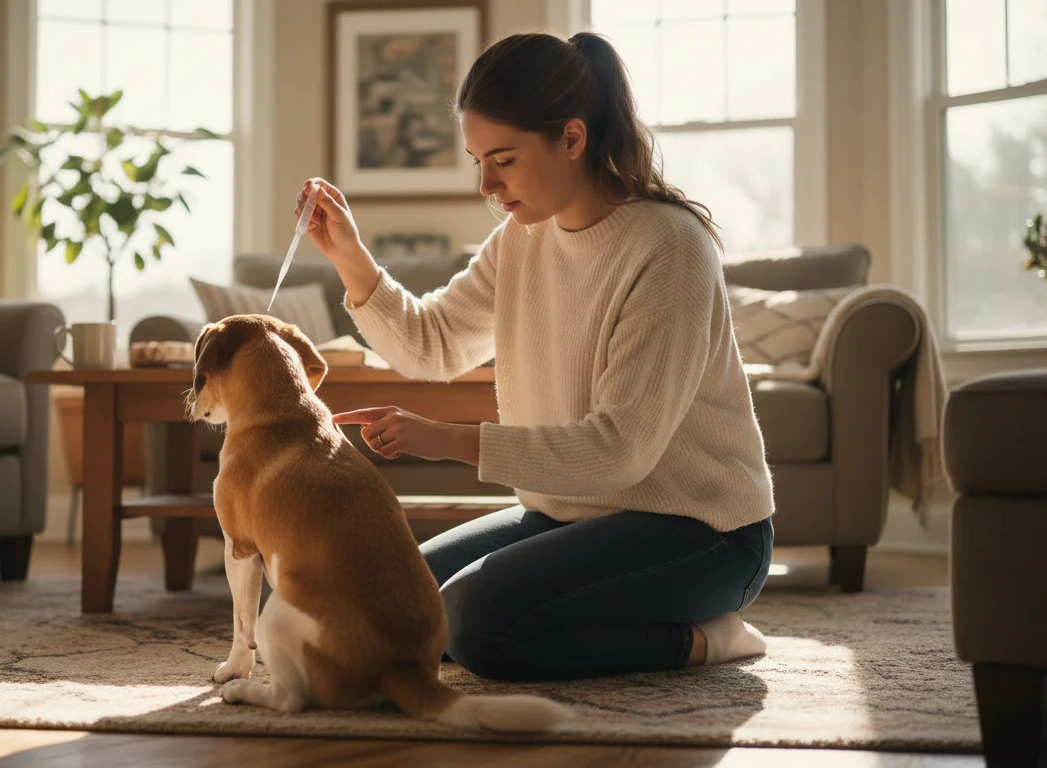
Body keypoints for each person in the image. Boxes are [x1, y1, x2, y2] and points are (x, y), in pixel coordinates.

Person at [295, 31, 775, 682]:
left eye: (504, 160)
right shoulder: (520, 240)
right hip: (562, 517)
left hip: (701, 533)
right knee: (361, 603)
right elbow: (433, 343)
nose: (487, 184)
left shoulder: (670, 249)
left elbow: (619, 450)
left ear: (572, 139)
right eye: (477, 161)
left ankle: (706, 638)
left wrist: (449, 439)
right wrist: (348, 256)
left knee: (476, 625)